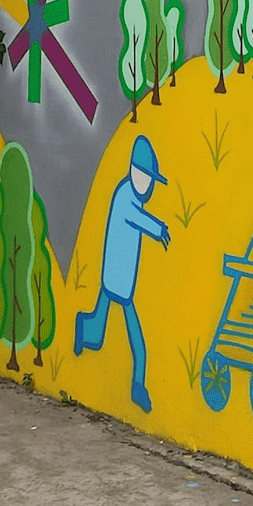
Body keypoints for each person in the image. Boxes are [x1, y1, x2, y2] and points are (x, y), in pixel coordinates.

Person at [74, 132, 170, 412]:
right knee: (132, 339)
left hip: (120, 280)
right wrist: (159, 228)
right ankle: (138, 385)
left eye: (150, 180)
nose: (148, 185)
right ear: (134, 172)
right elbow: (137, 219)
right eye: (146, 178)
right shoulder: (125, 196)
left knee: (99, 331)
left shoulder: (131, 196)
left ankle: (84, 327)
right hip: (116, 279)